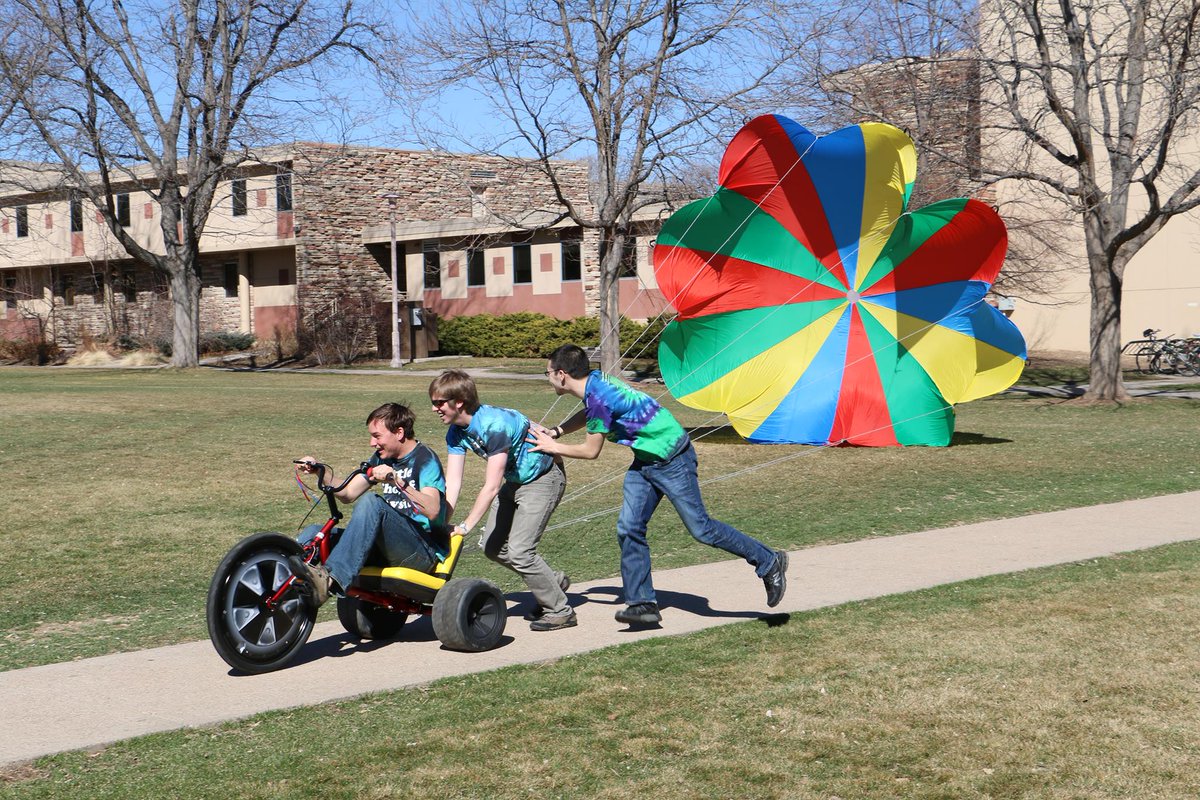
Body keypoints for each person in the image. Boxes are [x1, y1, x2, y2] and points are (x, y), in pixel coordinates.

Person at [528, 344, 788, 626]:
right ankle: (642, 604)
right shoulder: (595, 383)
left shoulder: (599, 396)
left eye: (548, 373)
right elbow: (592, 414)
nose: (548, 377)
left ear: (562, 374)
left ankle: (769, 561)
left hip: (673, 459)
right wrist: (558, 430)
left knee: (702, 529)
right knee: (629, 528)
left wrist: (552, 446)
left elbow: (591, 451)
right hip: (646, 461)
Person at [429, 369, 575, 632]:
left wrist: (466, 526)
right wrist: (442, 521)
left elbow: (492, 486)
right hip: (516, 482)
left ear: (458, 402)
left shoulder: (493, 425)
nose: (434, 408)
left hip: (543, 479)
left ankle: (560, 611)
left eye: (439, 403)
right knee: (492, 547)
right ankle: (551, 582)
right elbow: (453, 482)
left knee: (520, 551)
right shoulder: (455, 433)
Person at [290, 402, 449, 606]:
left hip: (421, 552)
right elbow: (348, 493)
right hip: (386, 547)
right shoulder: (381, 458)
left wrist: (397, 481)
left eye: (377, 436)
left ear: (399, 432)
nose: (372, 443)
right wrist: (320, 471)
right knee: (315, 533)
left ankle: (329, 580)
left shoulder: (425, 459)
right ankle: (283, 585)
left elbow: (433, 510)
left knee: (372, 502)